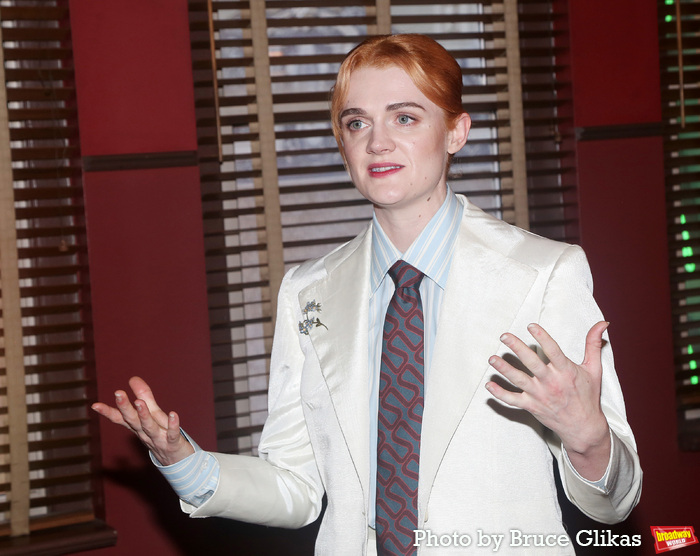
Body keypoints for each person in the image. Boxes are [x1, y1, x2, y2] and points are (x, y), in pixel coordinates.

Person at [92, 34, 642, 555]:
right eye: (357, 123)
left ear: (456, 132)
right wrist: (183, 461)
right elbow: (297, 487)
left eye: (405, 117)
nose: (378, 142)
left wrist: (587, 437)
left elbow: (615, 502)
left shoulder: (545, 273)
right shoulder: (306, 291)